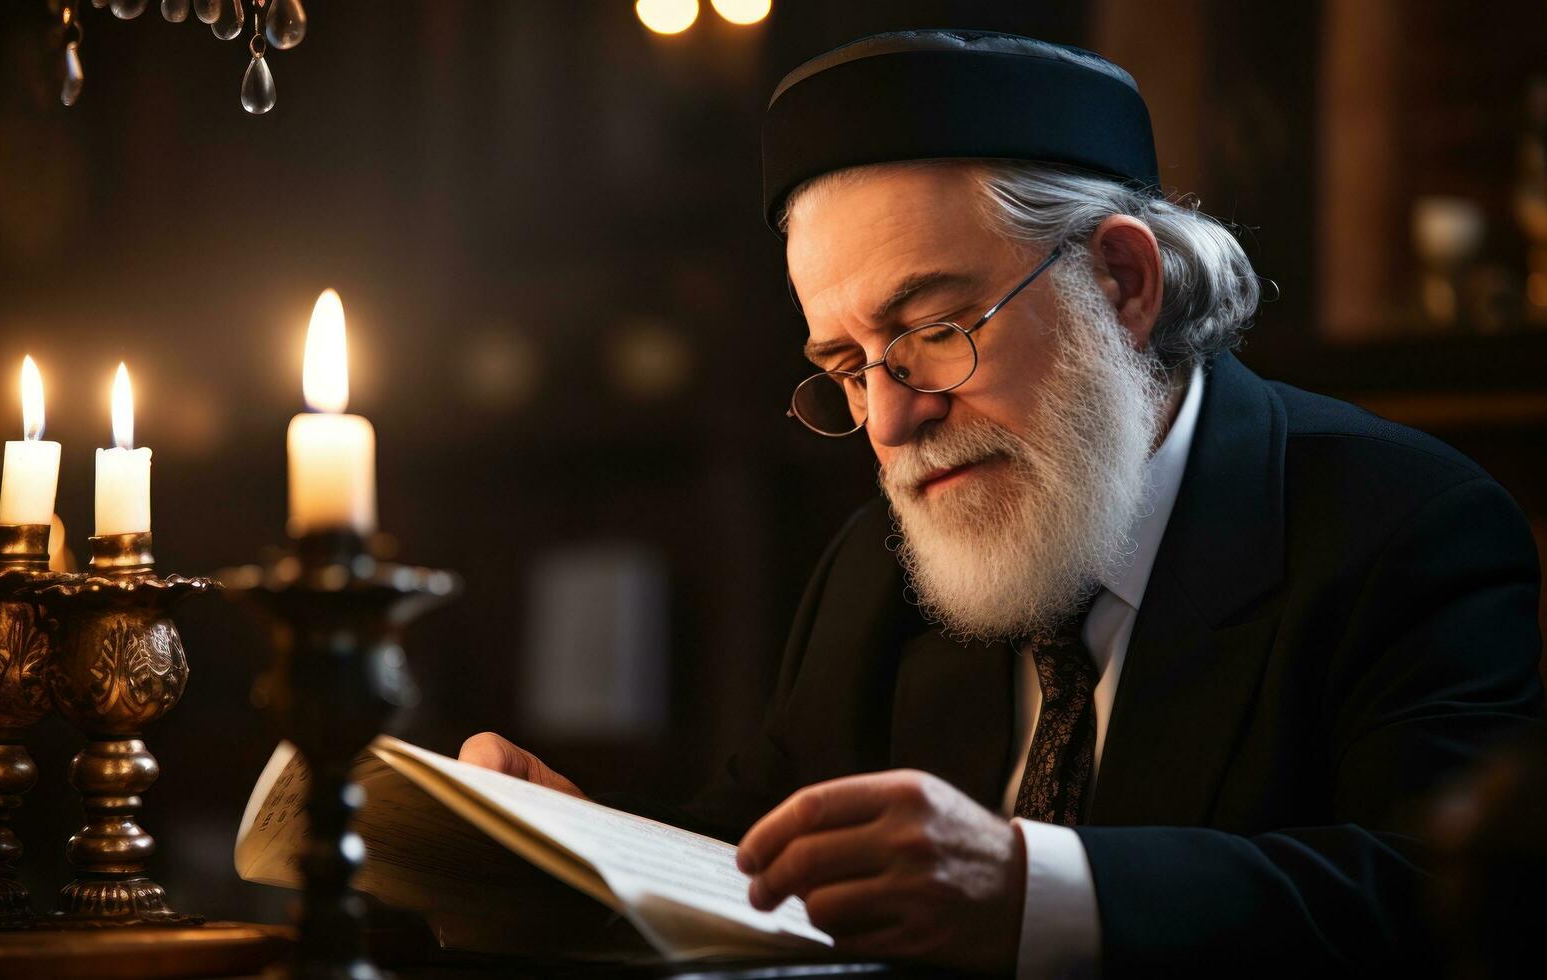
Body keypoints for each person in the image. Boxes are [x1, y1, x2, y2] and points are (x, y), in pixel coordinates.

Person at [461, 30, 1544, 977]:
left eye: (934, 329)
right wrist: (572, 845)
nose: (888, 422)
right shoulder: (873, 568)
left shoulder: (1403, 525)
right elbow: (759, 853)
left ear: (1120, 283)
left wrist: (1035, 889)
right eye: (846, 363)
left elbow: (1432, 904)